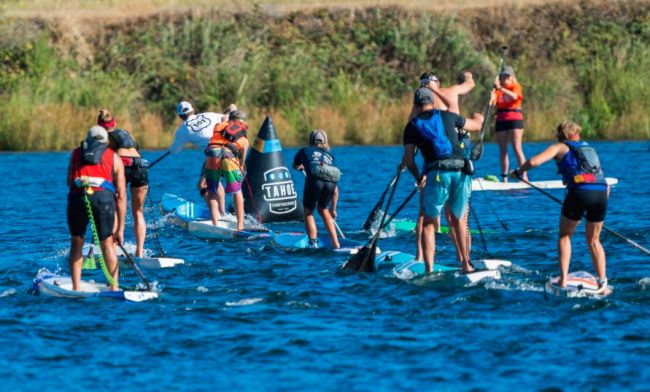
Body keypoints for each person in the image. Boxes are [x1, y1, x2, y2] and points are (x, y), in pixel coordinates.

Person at [510, 121, 609, 289]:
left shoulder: (560, 147)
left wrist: (518, 172)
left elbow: (534, 162)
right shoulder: (589, 150)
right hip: (601, 193)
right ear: (577, 134)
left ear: (561, 136)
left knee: (564, 236)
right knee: (594, 240)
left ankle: (563, 280)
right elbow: (601, 180)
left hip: (579, 191)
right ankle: (603, 284)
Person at [403, 88, 484, 273]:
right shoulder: (449, 116)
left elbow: (409, 160)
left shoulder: (411, 126)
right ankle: (466, 265)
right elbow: (476, 126)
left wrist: (418, 177)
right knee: (459, 221)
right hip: (460, 171)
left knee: (429, 223)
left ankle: (429, 270)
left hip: (437, 173)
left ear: (415, 106)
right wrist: (479, 119)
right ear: (432, 102)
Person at [67, 126, 126, 291]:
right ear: (107, 141)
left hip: (79, 197)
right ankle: (114, 288)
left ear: (88, 140)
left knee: (77, 242)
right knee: (107, 243)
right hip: (104, 200)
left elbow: (69, 182)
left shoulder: (76, 154)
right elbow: (121, 194)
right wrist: (120, 229)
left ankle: (76, 288)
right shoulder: (114, 157)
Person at [168, 101, 236, 215]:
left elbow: (175, 150)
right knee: (218, 182)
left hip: (214, 154)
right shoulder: (208, 115)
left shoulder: (183, 129)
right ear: (193, 110)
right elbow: (228, 117)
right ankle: (222, 213)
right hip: (230, 150)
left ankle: (218, 213)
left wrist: (170, 149)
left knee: (203, 184)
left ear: (180, 116)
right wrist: (232, 109)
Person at [97, 109, 148, 257]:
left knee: (115, 207)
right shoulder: (126, 132)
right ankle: (139, 251)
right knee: (138, 211)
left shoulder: (103, 136)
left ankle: (115, 243)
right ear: (115, 123)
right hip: (141, 165)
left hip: (122, 164)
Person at [293, 129, 341, 249]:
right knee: (323, 210)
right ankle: (336, 243)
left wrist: (301, 167)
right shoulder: (330, 156)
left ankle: (313, 243)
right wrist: (333, 210)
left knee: (309, 212)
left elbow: (295, 165)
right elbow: (335, 190)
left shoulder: (304, 151)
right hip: (331, 183)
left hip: (314, 180)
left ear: (311, 141)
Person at [204, 110, 250, 230]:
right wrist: (241, 166)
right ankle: (240, 226)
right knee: (237, 191)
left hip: (212, 155)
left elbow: (224, 119)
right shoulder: (243, 134)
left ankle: (215, 224)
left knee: (212, 190)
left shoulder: (218, 126)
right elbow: (243, 156)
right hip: (230, 157)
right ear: (243, 122)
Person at [491, 65, 527, 182]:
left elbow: (514, 96)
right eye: (504, 75)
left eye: (508, 75)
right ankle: (504, 178)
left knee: (517, 148)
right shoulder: (497, 89)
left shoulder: (515, 86)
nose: (506, 77)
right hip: (501, 119)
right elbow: (493, 103)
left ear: (512, 77)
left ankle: (524, 176)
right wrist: (493, 92)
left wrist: (500, 88)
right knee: (503, 150)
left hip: (515, 118)